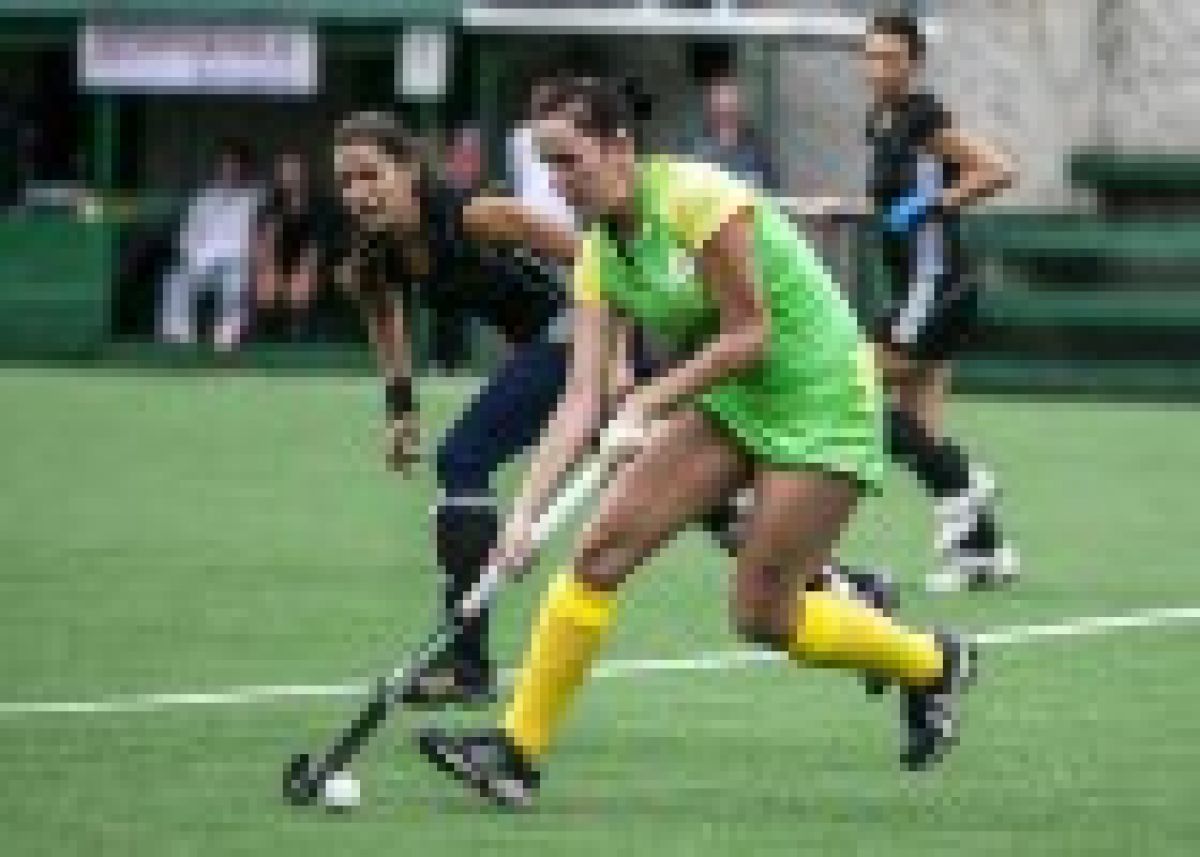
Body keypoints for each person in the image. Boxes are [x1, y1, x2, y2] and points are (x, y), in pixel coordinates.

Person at [415, 76, 978, 809]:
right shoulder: (599, 255)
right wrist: (522, 516)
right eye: (547, 165)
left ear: (620, 148)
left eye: (570, 160)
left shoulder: (697, 199)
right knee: (598, 554)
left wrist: (648, 401)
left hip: (823, 396)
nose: (558, 182)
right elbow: (580, 398)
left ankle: (932, 662)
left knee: (762, 614)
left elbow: (750, 335)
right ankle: (515, 754)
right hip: (734, 397)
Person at [333, 108, 897, 710]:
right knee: (705, 510)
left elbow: (599, 261)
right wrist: (401, 409)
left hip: (575, 341)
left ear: (410, 170)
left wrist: (619, 360)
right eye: (346, 181)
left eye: (371, 174)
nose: (359, 193)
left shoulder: (479, 215)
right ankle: (851, 590)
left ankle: (465, 662)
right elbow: (385, 317)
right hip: (551, 355)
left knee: (462, 459)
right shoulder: (374, 256)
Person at [861, 15, 1019, 591]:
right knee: (918, 432)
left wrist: (932, 206)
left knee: (850, 385)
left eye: (889, 58)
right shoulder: (881, 120)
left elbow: (998, 170)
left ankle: (968, 480)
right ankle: (983, 554)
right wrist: (844, 210)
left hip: (934, 288)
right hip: (917, 289)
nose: (876, 69)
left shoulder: (923, 115)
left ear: (914, 63)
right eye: (870, 56)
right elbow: (891, 201)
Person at [160, 140, 262, 350]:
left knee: (237, 278)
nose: (230, 171)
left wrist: (250, 255)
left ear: (245, 168)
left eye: (235, 166)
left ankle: (227, 336)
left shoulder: (256, 196)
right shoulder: (204, 197)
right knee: (177, 277)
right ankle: (178, 337)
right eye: (226, 165)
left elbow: (262, 233)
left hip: (238, 260)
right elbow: (187, 233)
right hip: (202, 261)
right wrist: (193, 254)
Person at [253, 150, 321, 342]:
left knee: (301, 281)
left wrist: (303, 269)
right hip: (279, 259)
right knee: (266, 281)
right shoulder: (271, 205)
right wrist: (268, 266)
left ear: (304, 174)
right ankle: (269, 331)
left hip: (309, 262)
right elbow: (264, 241)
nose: (290, 177)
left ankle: (297, 330)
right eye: (285, 171)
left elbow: (316, 248)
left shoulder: (317, 205)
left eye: (294, 171)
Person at [685, 74, 779, 192]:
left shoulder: (759, 154)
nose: (724, 114)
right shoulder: (695, 150)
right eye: (719, 109)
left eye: (730, 109)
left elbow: (771, 194)